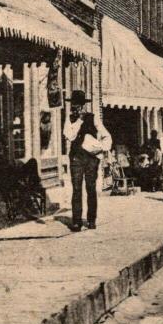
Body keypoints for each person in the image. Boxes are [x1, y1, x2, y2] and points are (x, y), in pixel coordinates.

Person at [63, 91, 112, 232]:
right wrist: (78, 121)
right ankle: (77, 221)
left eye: (78, 104)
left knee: (90, 188)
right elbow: (70, 136)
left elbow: (106, 135)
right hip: (76, 157)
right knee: (76, 189)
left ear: (83, 105)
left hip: (91, 158)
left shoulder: (93, 118)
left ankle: (91, 220)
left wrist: (101, 148)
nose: (75, 107)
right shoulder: (70, 119)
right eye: (74, 104)